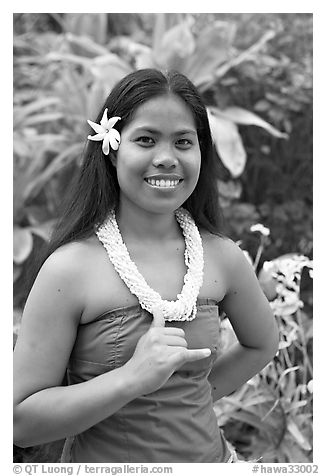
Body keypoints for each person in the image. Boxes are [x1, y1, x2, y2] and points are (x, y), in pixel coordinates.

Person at [13, 68, 279, 463]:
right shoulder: (68, 270)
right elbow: (19, 421)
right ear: (112, 148)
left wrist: (195, 397)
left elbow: (263, 342)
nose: (167, 158)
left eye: (184, 142)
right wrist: (131, 379)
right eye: (146, 139)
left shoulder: (222, 257)